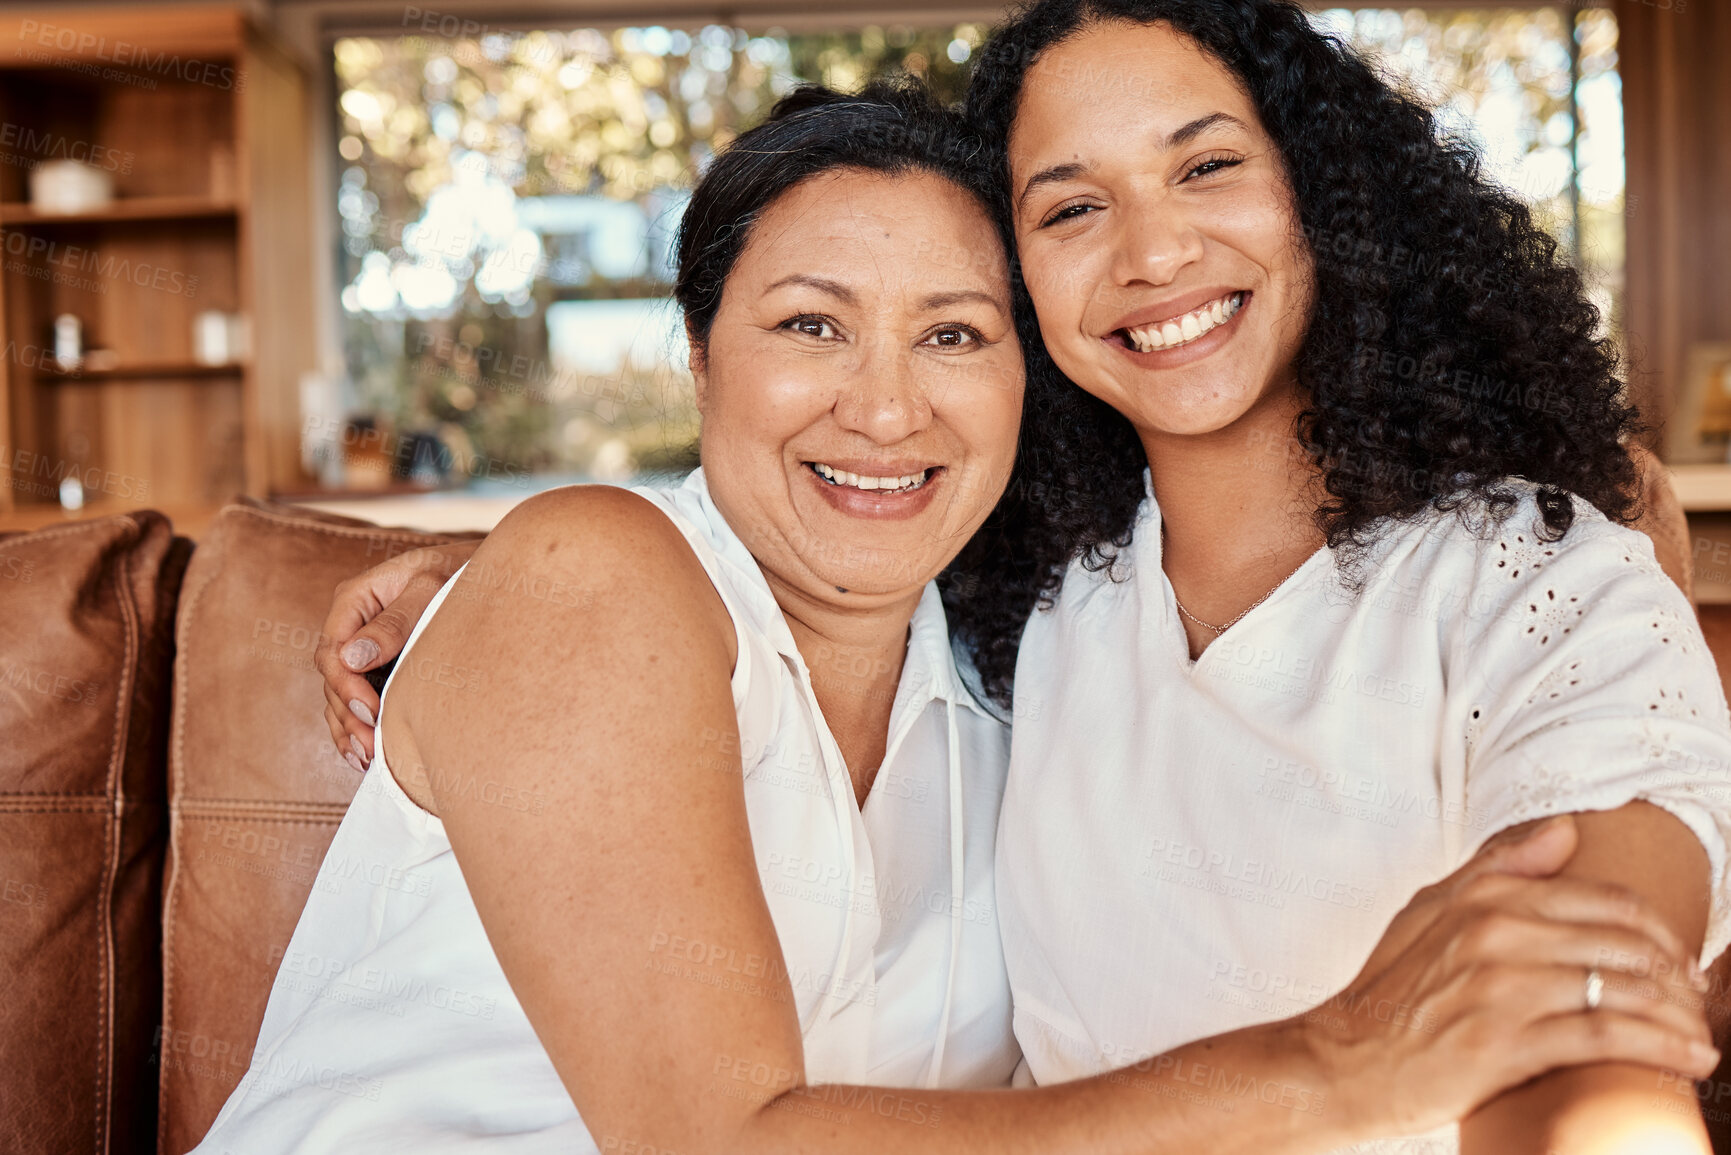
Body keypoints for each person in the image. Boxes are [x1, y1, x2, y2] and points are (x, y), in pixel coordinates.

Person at [299, 63, 1715, 1155]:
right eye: (809, 324)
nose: (886, 403)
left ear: (1032, 378)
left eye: (958, 333)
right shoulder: (588, 578)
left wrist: (1600, 527)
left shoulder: (1012, 668)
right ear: (696, 354)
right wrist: (1338, 1061)